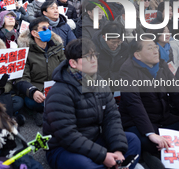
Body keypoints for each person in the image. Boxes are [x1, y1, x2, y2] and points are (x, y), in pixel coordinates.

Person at [43, 38, 141, 169]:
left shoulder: (99, 82)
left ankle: (117, 164)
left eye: (94, 55)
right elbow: (68, 136)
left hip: (93, 139)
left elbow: (112, 118)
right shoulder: (60, 92)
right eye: (87, 56)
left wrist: (118, 150)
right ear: (73, 63)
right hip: (63, 148)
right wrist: (103, 156)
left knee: (132, 140)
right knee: (83, 165)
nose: (94, 59)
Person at [118, 37, 179, 167]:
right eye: (150, 48)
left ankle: (160, 151)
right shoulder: (127, 70)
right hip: (137, 122)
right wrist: (151, 133)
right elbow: (134, 104)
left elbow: (177, 93)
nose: (155, 51)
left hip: (163, 118)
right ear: (137, 55)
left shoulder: (162, 65)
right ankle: (148, 155)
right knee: (144, 141)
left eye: (155, 47)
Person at [16, 17, 65, 126]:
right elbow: (22, 78)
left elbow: (65, 67)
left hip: (56, 86)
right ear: (34, 33)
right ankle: (43, 111)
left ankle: (51, 111)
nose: (48, 31)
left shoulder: (57, 46)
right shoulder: (25, 52)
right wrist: (33, 91)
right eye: (44, 29)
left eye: (49, 28)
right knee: (31, 102)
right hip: (38, 89)